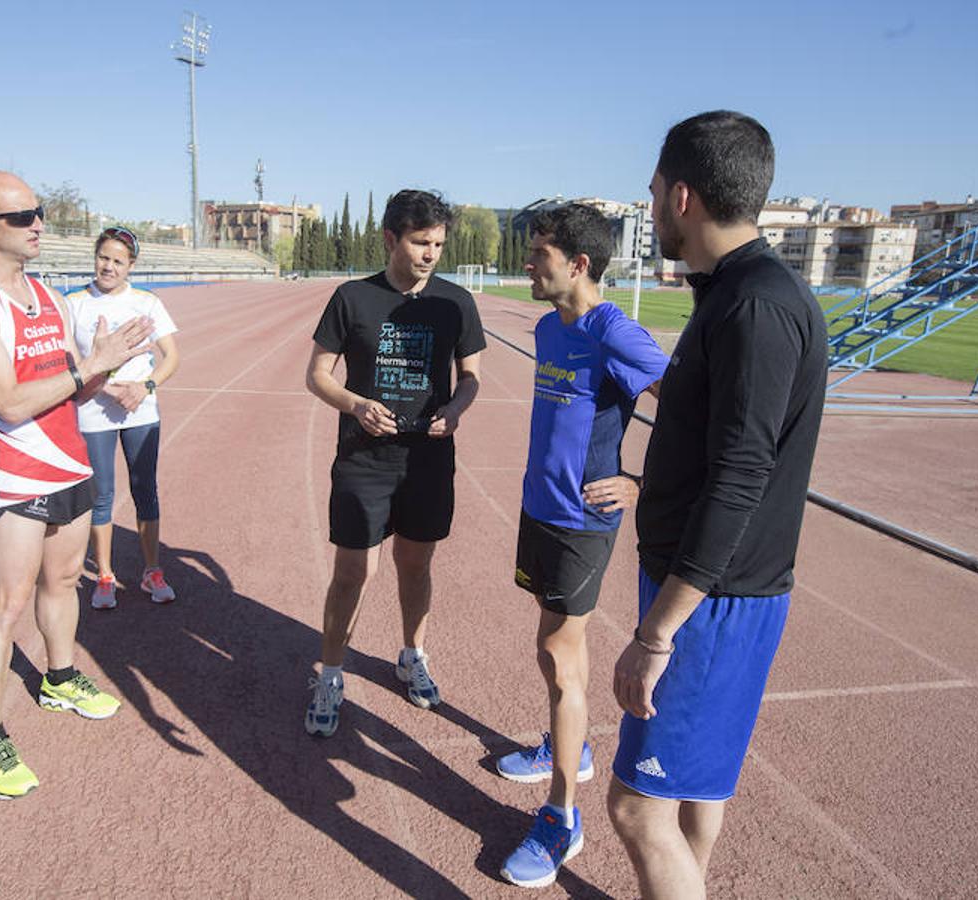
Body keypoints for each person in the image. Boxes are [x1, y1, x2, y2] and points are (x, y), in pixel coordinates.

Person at [607, 111, 828, 898]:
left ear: (684, 197)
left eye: (656, 186)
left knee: (636, 810)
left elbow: (740, 476)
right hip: (721, 591)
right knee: (694, 793)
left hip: (709, 603)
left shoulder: (754, 308)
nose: (651, 197)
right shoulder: (738, 294)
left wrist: (658, 632)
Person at [0, 170, 154, 799]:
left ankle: (59, 677)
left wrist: (103, 369)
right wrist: (89, 364)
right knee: (5, 603)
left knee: (61, 582)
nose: (38, 225)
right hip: (13, 474)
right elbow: (4, 401)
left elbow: (72, 385)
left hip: (71, 463)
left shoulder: (51, 299)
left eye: (40, 212)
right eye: (22, 216)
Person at [495, 205, 668, 888]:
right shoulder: (546, 327)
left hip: (582, 520)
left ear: (579, 264)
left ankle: (563, 819)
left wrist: (641, 482)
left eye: (539, 254)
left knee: (560, 657)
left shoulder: (615, 333)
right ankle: (571, 745)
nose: (529, 265)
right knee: (553, 648)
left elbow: (690, 408)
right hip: (540, 510)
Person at [303, 189, 486, 738]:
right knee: (355, 571)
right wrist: (356, 404)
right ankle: (331, 673)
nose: (430, 253)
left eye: (437, 244)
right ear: (391, 239)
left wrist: (454, 411)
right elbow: (317, 375)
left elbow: (472, 378)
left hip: (428, 461)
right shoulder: (351, 298)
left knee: (416, 565)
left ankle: (412, 654)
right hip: (364, 460)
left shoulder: (456, 303)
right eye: (419, 242)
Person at [67, 226, 180, 609]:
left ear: (131, 265)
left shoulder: (146, 303)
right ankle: (104, 576)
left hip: (140, 411)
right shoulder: (75, 304)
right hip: (93, 411)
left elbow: (172, 357)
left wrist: (143, 388)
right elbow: (71, 364)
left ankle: (152, 571)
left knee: (144, 489)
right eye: (103, 258)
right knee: (101, 496)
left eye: (118, 261)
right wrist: (106, 388)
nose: (108, 266)